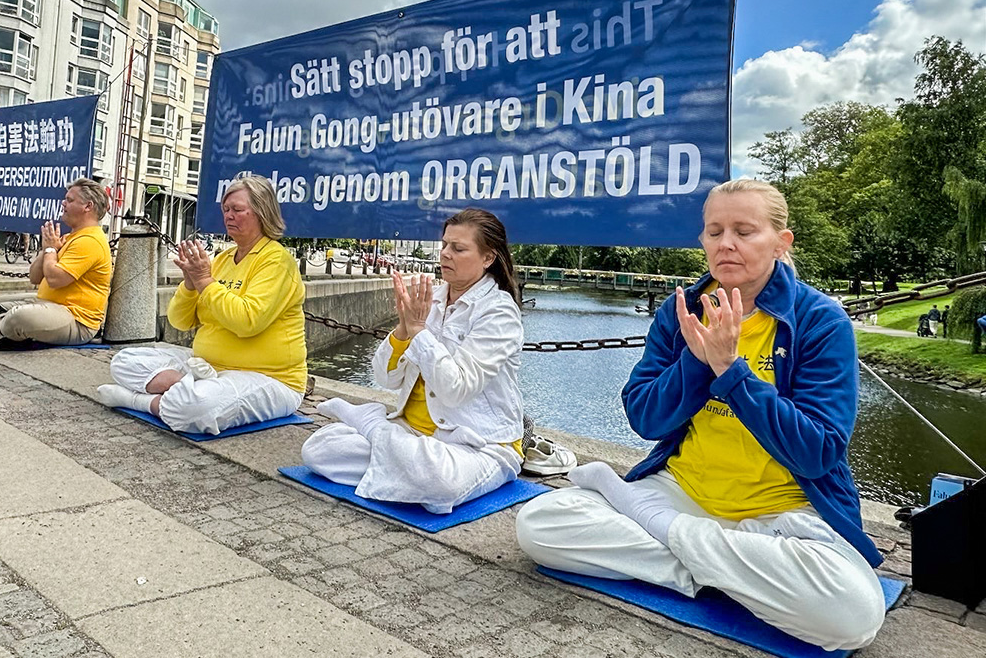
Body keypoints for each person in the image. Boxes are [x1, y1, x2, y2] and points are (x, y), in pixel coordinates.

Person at [515, 179, 885, 651]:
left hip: (784, 511)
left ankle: (669, 537)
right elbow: (645, 418)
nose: (726, 243)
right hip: (683, 491)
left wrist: (731, 372)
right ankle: (734, 572)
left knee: (853, 615)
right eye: (715, 232)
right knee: (540, 524)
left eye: (744, 232)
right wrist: (696, 359)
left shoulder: (819, 321)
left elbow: (817, 453)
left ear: (780, 242)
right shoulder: (682, 312)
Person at [301, 207, 526, 514]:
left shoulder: (498, 312)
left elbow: (455, 390)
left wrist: (419, 331)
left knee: (440, 483)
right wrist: (403, 331)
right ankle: (395, 453)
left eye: (458, 248)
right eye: (444, 245)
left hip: (478, 444)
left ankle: (374, 429)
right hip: (409, 431)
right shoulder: (431, 298)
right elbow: (386, 378)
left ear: (488, 258)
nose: (445, 254)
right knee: (319, 450)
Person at [98, 175, 307, 434]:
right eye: (226, 209)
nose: (228, 216)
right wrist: (190, 284)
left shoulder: (277, 261)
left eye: (237, 209)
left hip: (268, 377)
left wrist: (205, 281)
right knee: (124, 361)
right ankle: (187, 387)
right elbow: (180, 321)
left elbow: (247, 321)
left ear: (262, 212)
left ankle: (139, 400)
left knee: (196, 407)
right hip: (207, 366)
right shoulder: (224, 259)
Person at [0, 179, 112, 346]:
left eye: (69, 200)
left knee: (19, 317)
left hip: (76, 318)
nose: (63, 203)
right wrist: (47, 249)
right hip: (45, 305)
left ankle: (13, 331)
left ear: (88, 206)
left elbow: (55, 279)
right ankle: (14, 336)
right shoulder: (69, 237)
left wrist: (51, 250)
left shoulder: (90, 241)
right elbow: (34, 277)